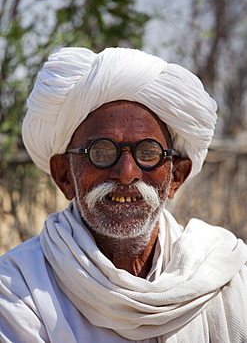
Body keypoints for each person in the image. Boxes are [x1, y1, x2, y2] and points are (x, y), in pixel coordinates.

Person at [0, 47, 247, 343]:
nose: (127, 172)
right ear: (64, 175)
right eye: (101, 152)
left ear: (175, 177)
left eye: (148, 153)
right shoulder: (18, 287)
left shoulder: (227, 275)